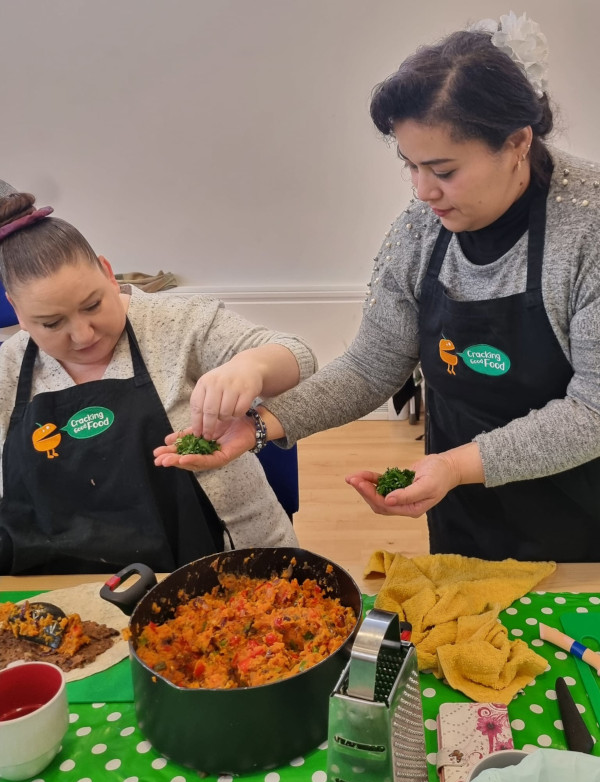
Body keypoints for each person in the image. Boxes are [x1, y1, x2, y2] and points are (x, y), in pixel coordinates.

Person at [155, 12, 600, 563]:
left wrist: (457, 464)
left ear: (516, 143)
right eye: (409, 165)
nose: (422, 192)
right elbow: (371, 366)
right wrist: (260, 426)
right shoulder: (421, 229)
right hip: (464, 499)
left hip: (581, 499)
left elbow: (593, 412)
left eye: (442, 169)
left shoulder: (588, 229)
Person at [0, 189, 317, 575]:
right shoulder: (9, 368)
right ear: (16, 310)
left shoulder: (179, 323)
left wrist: (252, 367)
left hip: (229, 567)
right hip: (66, 585)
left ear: (107, 271)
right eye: (51, 324)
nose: (83, 335)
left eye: (93, 305)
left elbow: (299, 356)